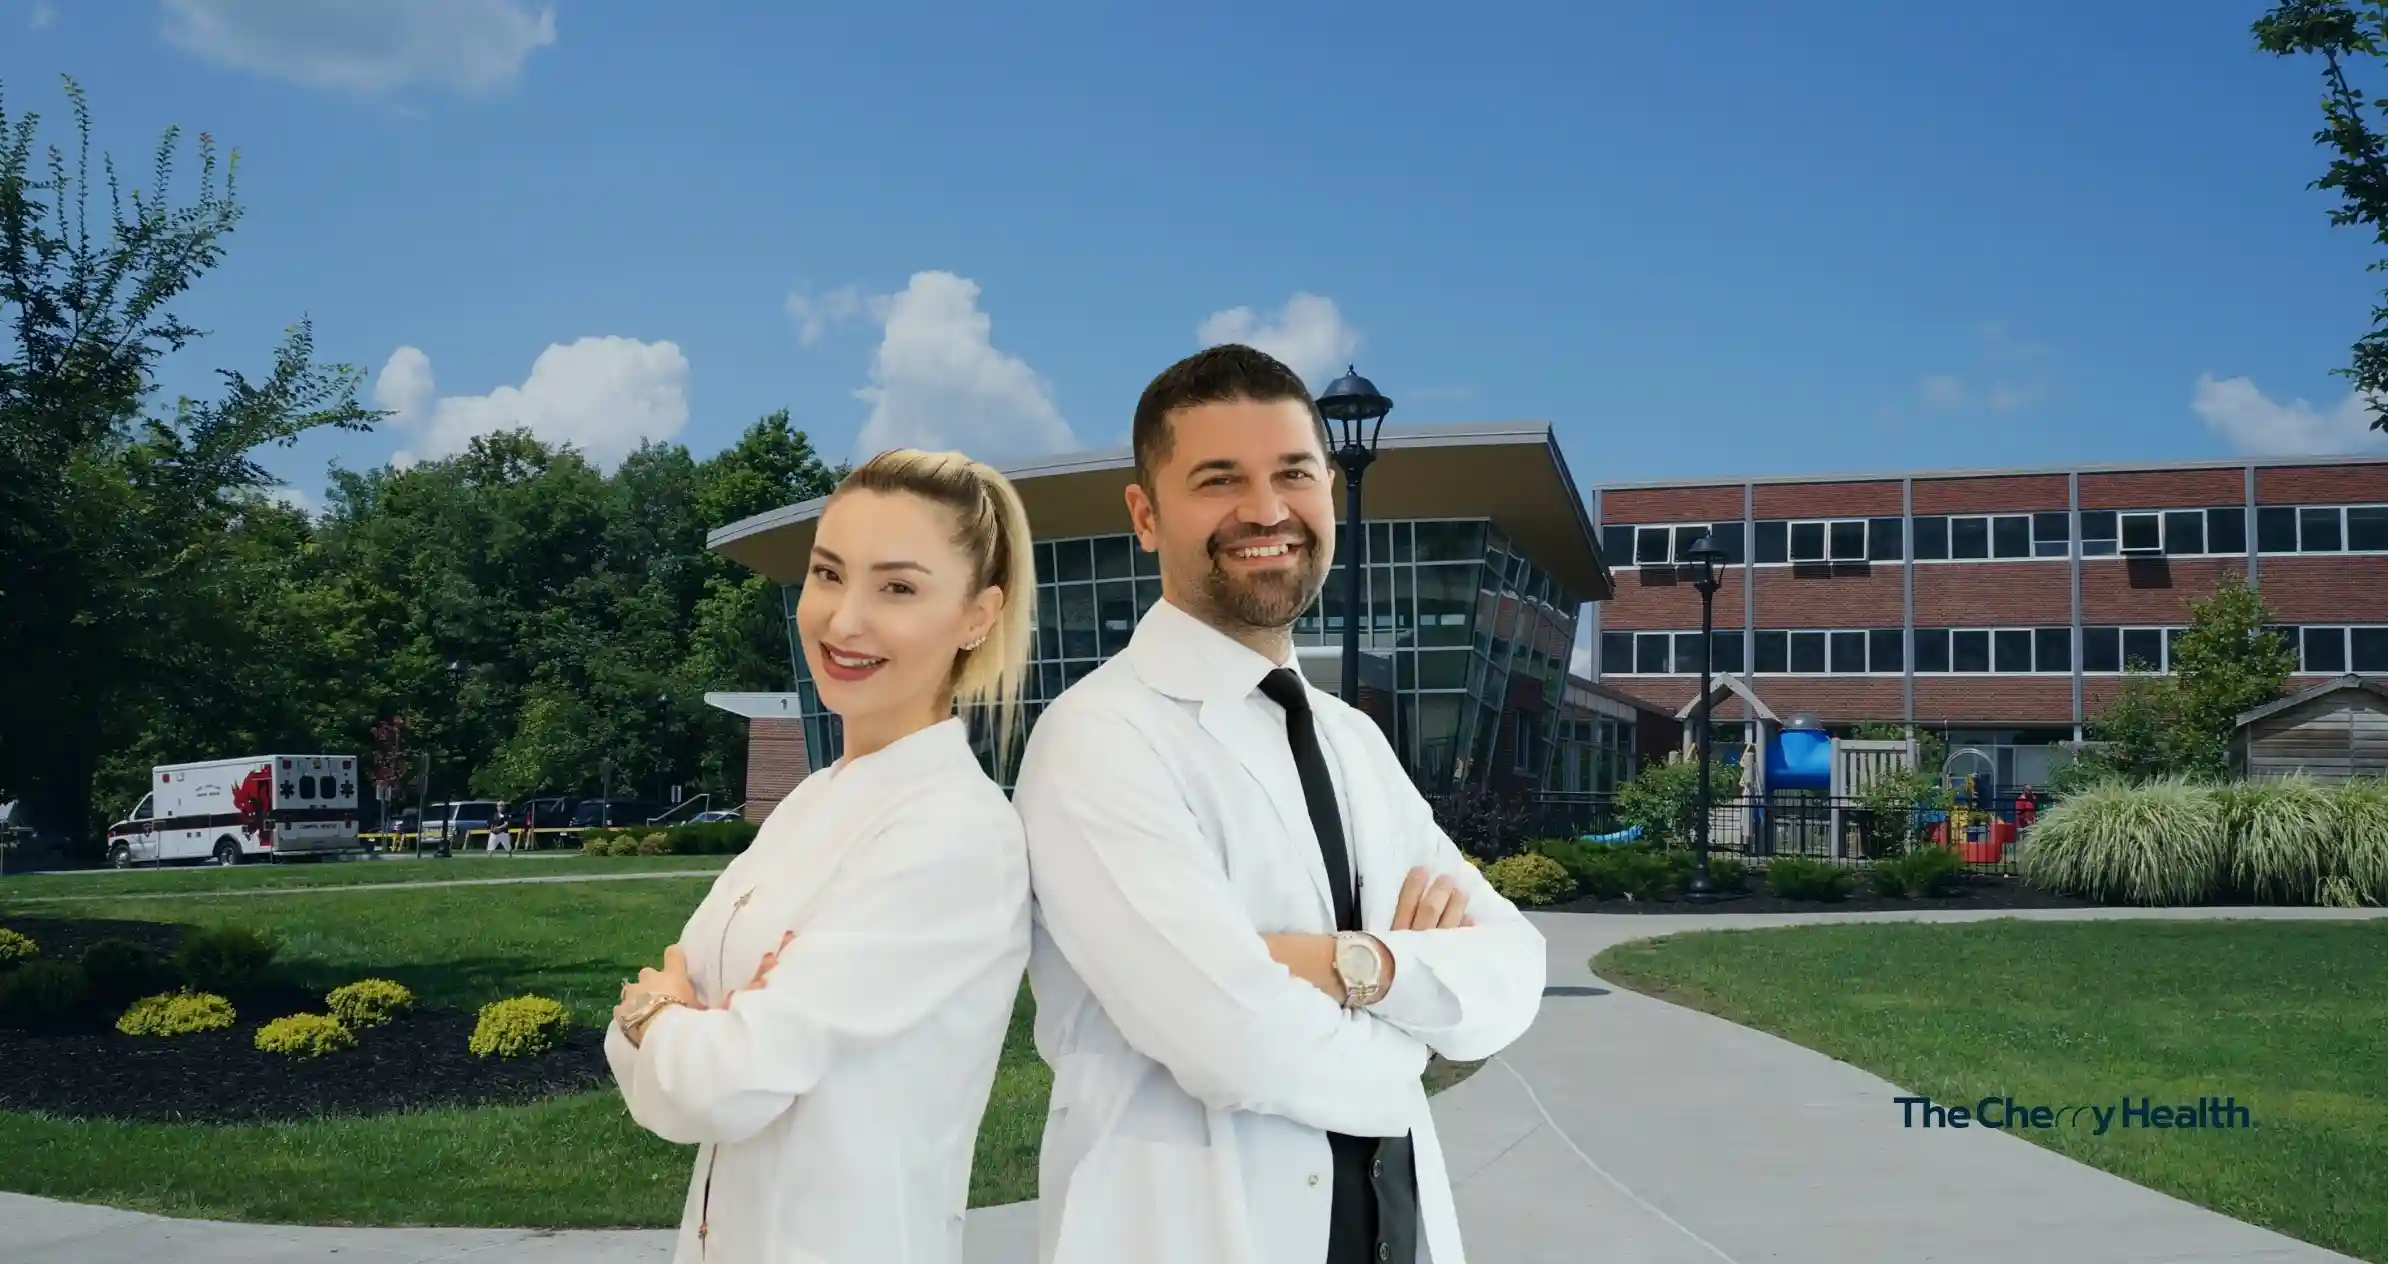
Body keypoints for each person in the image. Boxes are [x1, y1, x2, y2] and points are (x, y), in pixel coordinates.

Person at [1012, 345, 1549, 1264]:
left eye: (1294, 473)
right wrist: (1416, 1039)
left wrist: (1353, 966)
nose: (1266, 511)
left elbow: (1514, 970)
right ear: (1145, 515)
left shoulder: (1353, 740)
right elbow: (1232, 1039)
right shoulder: (1097, 739)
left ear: (1329, 491)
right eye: (1219, 479)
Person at [605, 447, 1039, 1264]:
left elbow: (718, 1083)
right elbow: (675, 1060)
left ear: (978, 615)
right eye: (828, 574)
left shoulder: (954, 833)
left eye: (897, 588)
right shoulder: (811, 801)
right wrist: (679, 1025)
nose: (843, 621)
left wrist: (657, 1015)